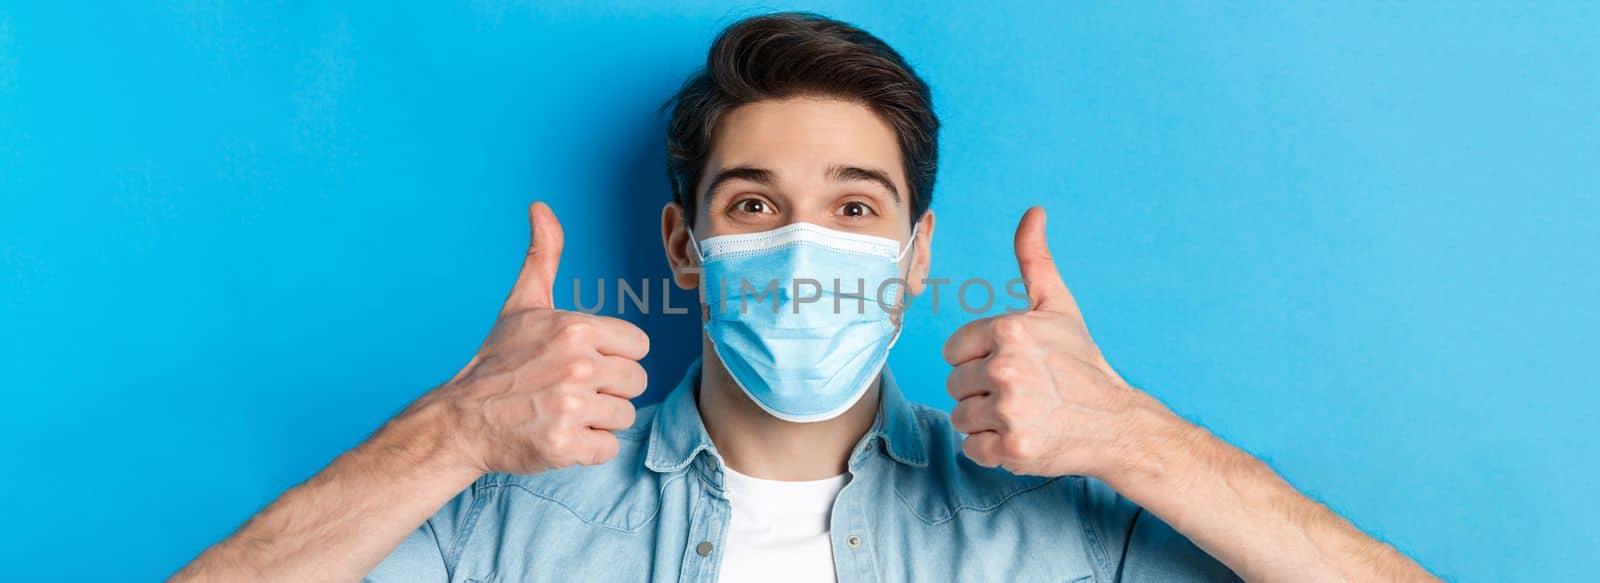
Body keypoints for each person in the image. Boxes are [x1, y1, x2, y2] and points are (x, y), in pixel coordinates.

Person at [173, 12, 1437, 583]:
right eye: (754, 207)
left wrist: (1136, 440)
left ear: (916, 254)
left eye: (853, 208)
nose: (804, 247)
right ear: (683, 246)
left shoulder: (1054, 529)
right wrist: (450, 433)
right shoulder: (500, 522)